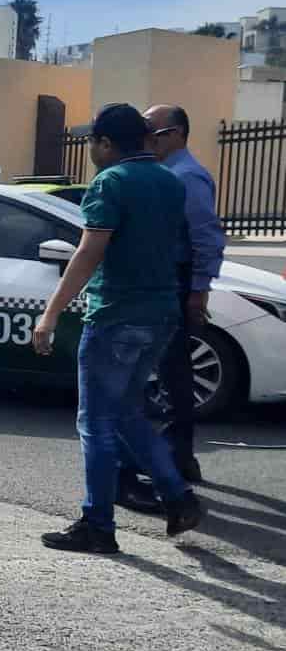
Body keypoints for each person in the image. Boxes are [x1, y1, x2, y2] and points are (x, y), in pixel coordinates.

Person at [34, 103, 202, 554]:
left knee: (96, 423)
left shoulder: (110, 182)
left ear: (105, 143)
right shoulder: (169, 182)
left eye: (93, 142)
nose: (91, 149)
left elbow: (88, 254)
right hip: (160, 314)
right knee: (128, 413)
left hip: (116, 315)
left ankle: (98, 524)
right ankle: (178, 496)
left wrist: (50, 314)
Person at [116, 104, 225, 512]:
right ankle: (177, 457)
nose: (148, 140)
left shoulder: (187, 177)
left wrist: (198, 290)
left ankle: (179, 457)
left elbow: (206, 239)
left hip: (178, 282)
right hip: (167, 279)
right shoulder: (167, 174)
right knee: (168, 370)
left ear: (176, 133)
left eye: (154, 133)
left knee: (174, 372)